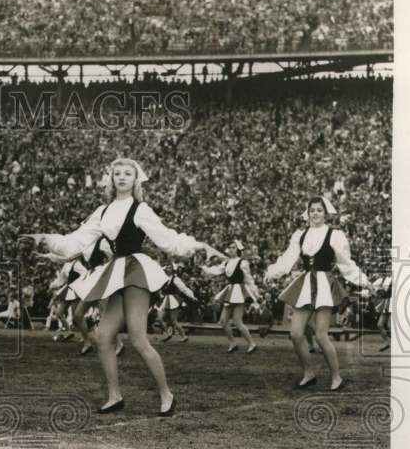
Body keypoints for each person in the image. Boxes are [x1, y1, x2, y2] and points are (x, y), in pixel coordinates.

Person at [29, 157, 220, 416]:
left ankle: (166, 394)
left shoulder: (141, 209)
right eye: (116, 173)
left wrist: (196, 246)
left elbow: (168, 240)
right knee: (103, 336)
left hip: (137, 270)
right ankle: (114, 395)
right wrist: (45, 239)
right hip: (115, 270)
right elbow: (76, 242)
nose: (121, 177)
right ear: (111, 178)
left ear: (135, 179)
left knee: (138, 339)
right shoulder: (102, 211)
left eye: (127, 173)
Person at [264, 195, 370, 391]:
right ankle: (308, 373)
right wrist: (272, 272)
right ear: (308, 213)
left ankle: (336, 377)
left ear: (325, 213)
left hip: (324, 285)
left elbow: (346, 264)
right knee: (295, 333)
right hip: (306, 284)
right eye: (312, 210)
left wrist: (363, 281)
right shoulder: (300, 235)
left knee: (321, 335)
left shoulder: (334, 235)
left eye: (319, 210)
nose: (315, 213)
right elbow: (288, 258)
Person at [201, 240, 260, 354]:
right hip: (230, 290)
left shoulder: (243, 262)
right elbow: (216, 271)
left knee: (237, 321)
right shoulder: (226, 262)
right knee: (223, 321)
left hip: (239, 291)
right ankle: (232, 343)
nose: (231, 249)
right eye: (230, 247)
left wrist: (255, 293)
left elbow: (249, 279)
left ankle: (252, 343)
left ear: (238, 250)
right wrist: (205, 268)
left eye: (233, 247)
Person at [157, 263, 198, 342]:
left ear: (173, 269)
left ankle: (183, 336)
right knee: (159, 318)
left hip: (173, 299)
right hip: (165, 299)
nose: (168, 269)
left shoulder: (175, 279)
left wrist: (192, 296)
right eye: (167, 267)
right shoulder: (163, 278)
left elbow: (183, 288)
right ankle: (168, 333)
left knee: (174, 320)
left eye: (170, 267)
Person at [373, 273, 392, 351]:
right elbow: (373, 286)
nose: (388, 269)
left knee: (390, 325)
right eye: (387, 267)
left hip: (393, 302)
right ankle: (386, 342)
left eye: (390, 267)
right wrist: (378, 290)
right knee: (379, 325)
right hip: (385, 302)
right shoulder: (383, 279)